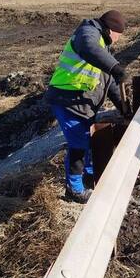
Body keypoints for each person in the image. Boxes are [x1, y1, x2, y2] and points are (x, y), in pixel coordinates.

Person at [46, 10, 128, 202]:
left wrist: (123, 106)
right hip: (66, 99)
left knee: (87, 142)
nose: (118, 39)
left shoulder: (104, 48)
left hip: (83, 103)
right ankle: (74, 190)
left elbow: (111, 83)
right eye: (119, 35)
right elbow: (88, 47)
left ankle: (89, 176)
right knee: (79, 145)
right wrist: (116, 68)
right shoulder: (88, 33)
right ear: (111, 30)